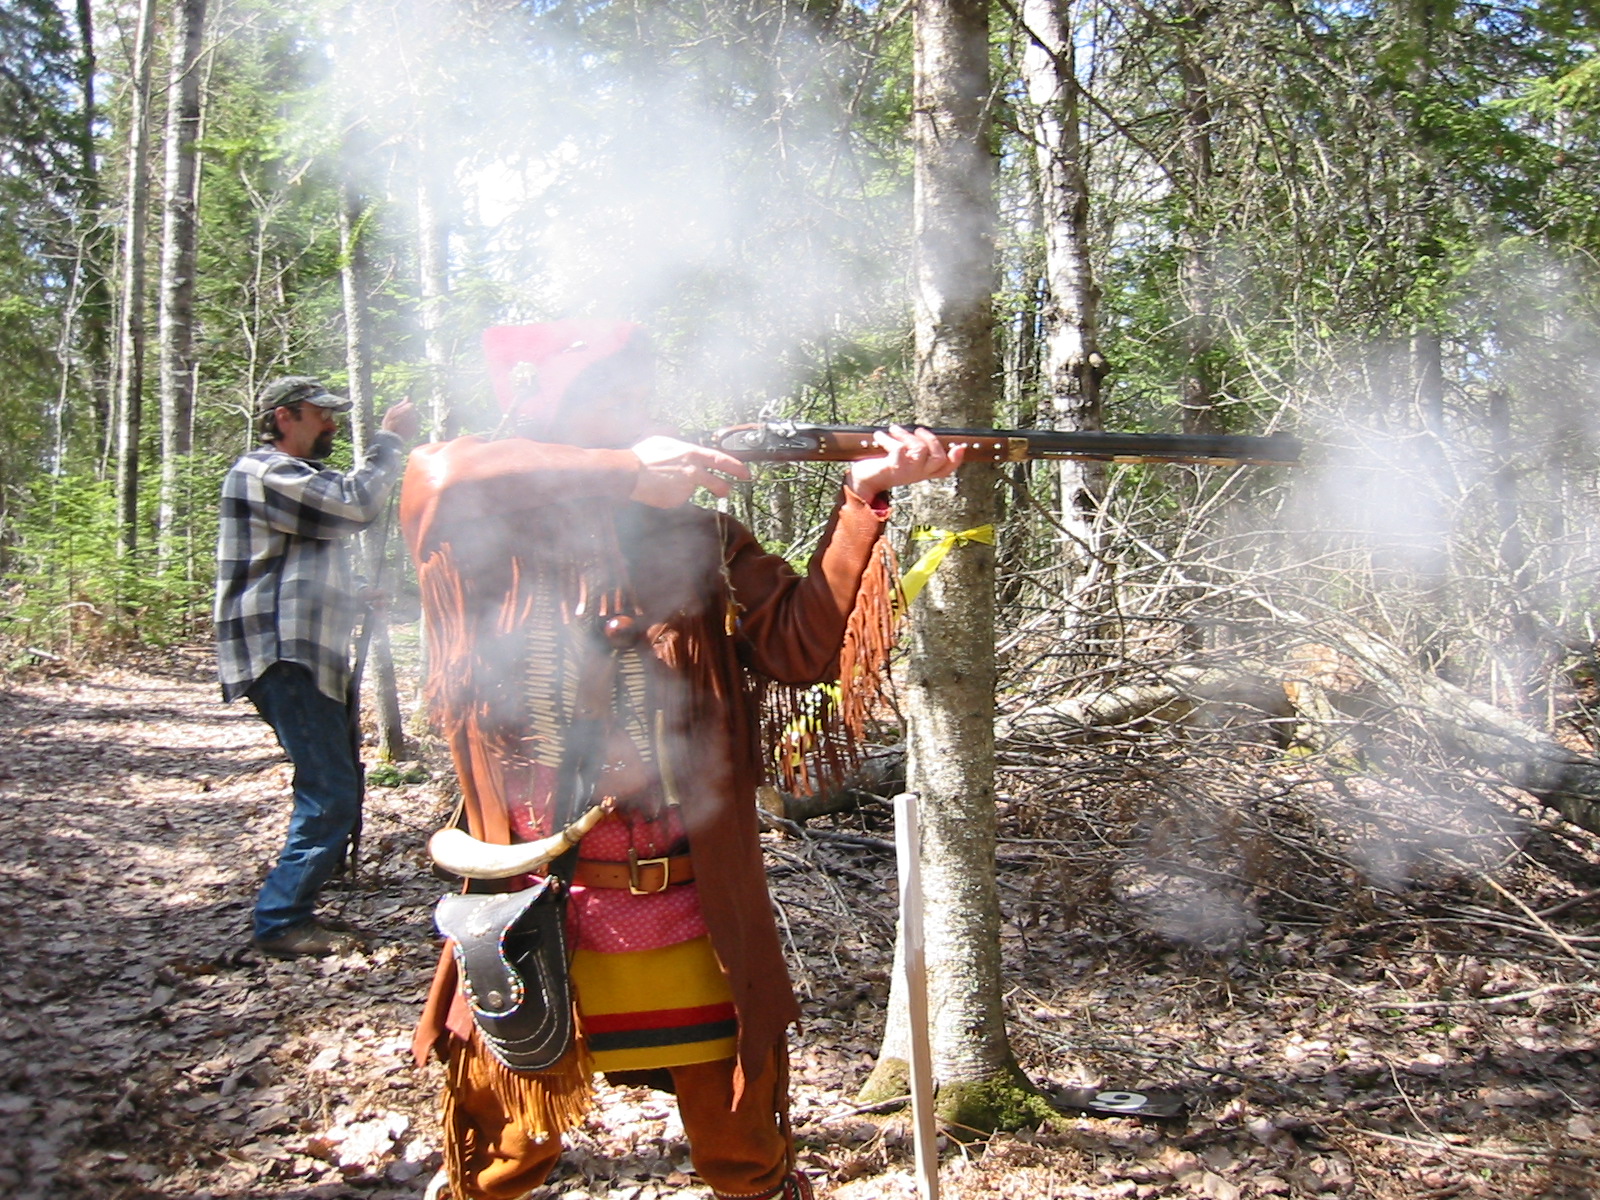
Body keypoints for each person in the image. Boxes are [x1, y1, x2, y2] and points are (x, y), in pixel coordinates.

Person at [401, 322, 964, 1200]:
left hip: (695, 904)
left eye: (638, 394)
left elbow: (799, 648)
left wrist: (864, 497)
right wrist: (624, 470)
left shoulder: (699, 536)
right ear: (550, 410)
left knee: (743, 1156)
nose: (634, 410)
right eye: (607, 396)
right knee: (501, 1160)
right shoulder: (485, 527)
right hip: (533, 907)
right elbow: (434, 473)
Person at [215, 375, 421, 959]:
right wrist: (388, 441)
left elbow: (295, 566)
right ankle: (282, 920)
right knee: (329, 789)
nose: (331, 422)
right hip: (283, 651)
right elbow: (355, 504)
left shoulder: (294, 477)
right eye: (320, 412)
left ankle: (299, 901)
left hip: (304, 651)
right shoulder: (262, 471)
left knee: (335, 781)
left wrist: (354, 596)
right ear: (284, 416)